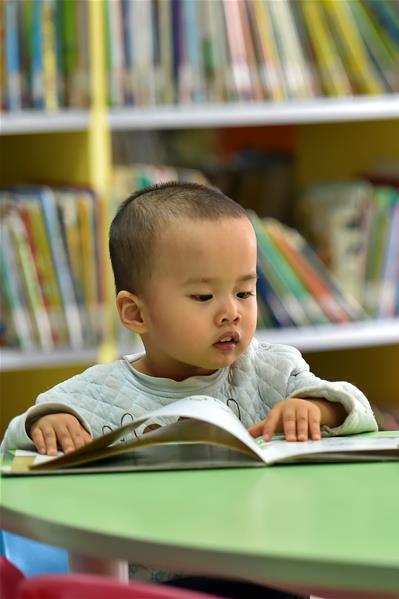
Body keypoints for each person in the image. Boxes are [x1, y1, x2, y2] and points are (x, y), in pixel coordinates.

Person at [0, 181, 379, 594]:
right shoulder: (97, 394)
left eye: (244, 291)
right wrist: (49, 422)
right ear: (135, 312)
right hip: (159, 588)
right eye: (203, 296)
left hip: (270, 576)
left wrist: (318, 407)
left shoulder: (274, 368)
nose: (231, 312)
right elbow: (17, 446)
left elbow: (357, 411)